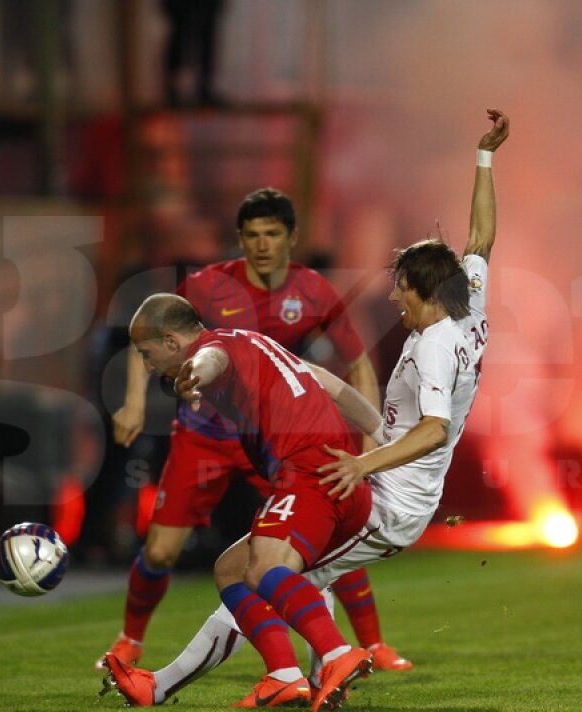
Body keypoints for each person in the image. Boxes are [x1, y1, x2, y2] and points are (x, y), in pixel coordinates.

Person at [100, 108, 509, 711]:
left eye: (400, 286)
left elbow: (432, 430)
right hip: (377, 472)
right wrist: (485, 157)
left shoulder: (434, 348)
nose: (393, 295)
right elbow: (481, 240)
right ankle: (231, 678)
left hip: (394, 498)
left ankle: (328, 659)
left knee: (267, 573)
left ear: (423, 291)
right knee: (245, 569)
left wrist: (363, 465)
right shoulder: (467, 299)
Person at [96, 188, 414, 675]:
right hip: (205, 433)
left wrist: (372, 434)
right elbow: (158, 337)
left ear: (292, 238)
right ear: (239, 240)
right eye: (251, 235)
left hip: (272, 440)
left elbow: (356, 362)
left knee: (321, 528)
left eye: (272, 234)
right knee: (160, 549)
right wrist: (135, 403)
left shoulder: (314, 292)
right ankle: (129, 642)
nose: (261, 244)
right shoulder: (206, 286)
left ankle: (369, 644)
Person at [113, 293, 378, 712]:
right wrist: (380, 439)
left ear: (170, 341)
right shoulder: (254, 342)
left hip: (310, 475)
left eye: (147, 355)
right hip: (334, 476)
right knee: (231, 572)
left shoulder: (209, 352)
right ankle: (284, 675)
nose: (146, 365)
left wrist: (193, 375)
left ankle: (336, 654)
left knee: (266, 568)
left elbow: (209, 360)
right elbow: (333, 384)